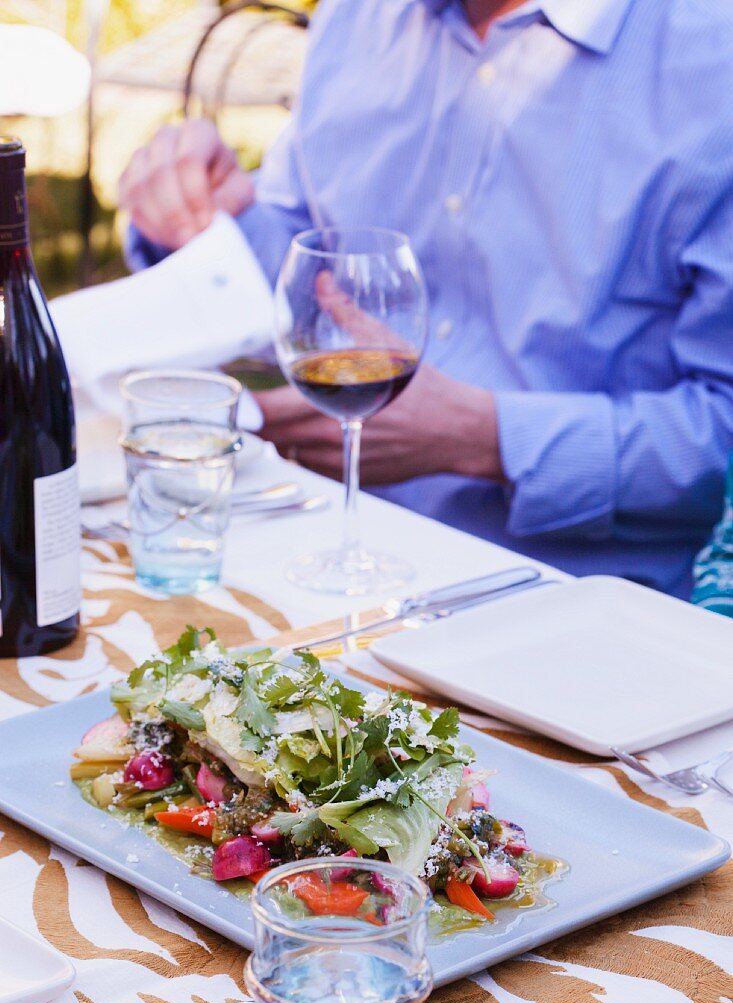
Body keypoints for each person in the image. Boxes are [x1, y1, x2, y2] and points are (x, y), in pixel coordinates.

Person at [119, 0, 733, 597]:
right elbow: (315, 275)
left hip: (570, 606)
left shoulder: (713, 61)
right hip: (312, 559)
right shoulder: (356, 16)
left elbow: (722, 428)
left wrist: (490, 441)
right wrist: (213, 222)